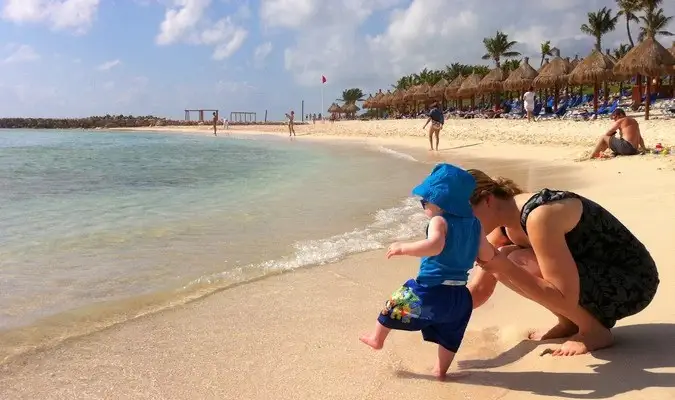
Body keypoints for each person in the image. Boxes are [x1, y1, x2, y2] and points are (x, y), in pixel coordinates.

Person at [465, 170, 659, 356]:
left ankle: (592, 331)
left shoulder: (539, 215)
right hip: (594, 279)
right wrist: (438, 311)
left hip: (634, 282)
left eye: (462, 216)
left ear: (487, 199)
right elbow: (479, 289)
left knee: (513, 259)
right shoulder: (503, 224)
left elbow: (564, 297)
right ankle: (569, 322)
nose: (459, 225)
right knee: (502, 255)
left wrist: (504, 266)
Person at [360, 164, 497, 380]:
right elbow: (487, 254)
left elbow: (435, 246)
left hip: (430, 289)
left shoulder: (439, 221)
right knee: (451, 334)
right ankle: (440, 370)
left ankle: (377, 339)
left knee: (393, 305)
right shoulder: (475, 224)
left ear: (441, 202)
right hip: (460, 297)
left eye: (424, 202)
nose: (423, 206)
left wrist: (402, 248)